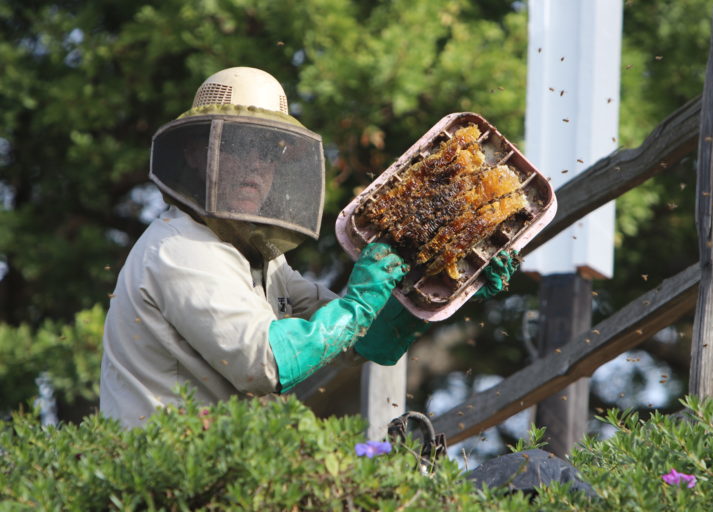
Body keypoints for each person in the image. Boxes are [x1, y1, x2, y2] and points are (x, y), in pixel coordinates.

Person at [99, 66, 518, 428]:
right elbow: (266, 362)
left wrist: (453, 281)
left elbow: (363, 340)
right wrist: (357, 305)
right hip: (160, 480)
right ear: (196, 153)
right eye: (241, 148)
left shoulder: (263, 261)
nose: (256, 167)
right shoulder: (180, 249)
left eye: (267, 154)